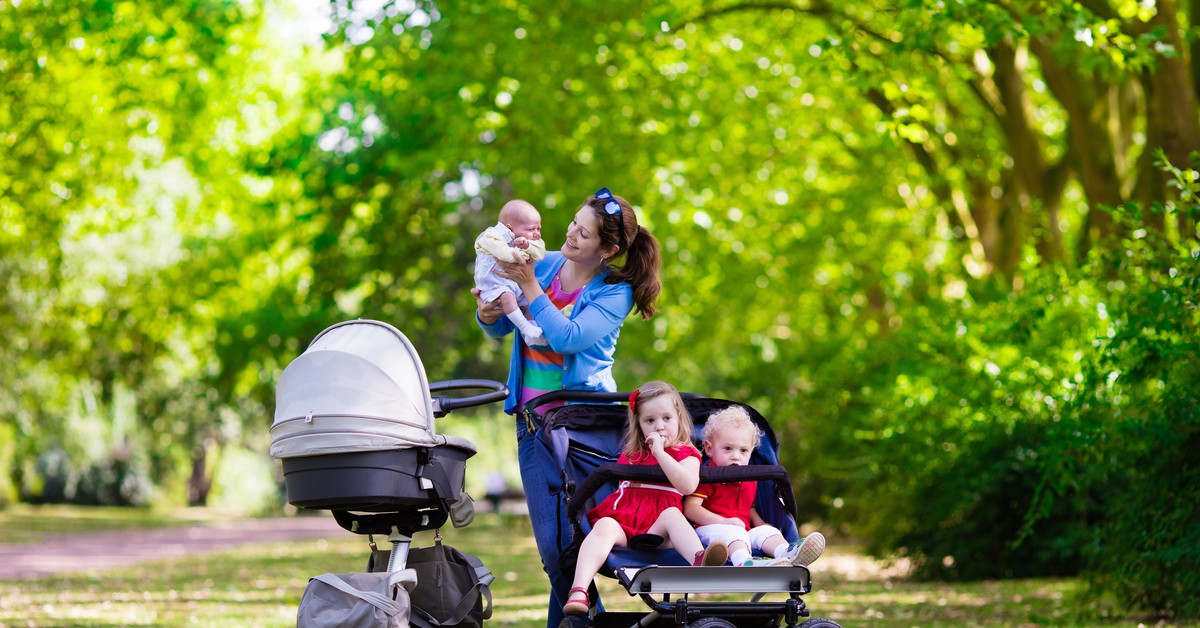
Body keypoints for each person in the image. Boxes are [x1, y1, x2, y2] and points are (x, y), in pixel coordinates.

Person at [473, 186, 662, 628]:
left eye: (584, 234)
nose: (571, 236)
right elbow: (504, 325)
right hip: (533, 422)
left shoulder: (615, 292)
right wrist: (487, 315)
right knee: (559, 550)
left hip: (584, 426)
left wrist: (529, 286)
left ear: (609, 249)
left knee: (566, 550)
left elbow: (568, 337)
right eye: (573, 225)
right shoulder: (549, 263)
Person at [563, 381, 730, 615]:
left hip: (657, 529)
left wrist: (660, 453)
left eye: (666, 418)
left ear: (679, 418)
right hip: (624, 522)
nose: (659, 426)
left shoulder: (688, 453)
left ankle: (700, 562)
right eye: (650, 421)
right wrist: (650, 452)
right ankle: (579, 590)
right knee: (604, 525)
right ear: (639, 425)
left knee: (672, 515)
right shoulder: (631, 454)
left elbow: (688, 485)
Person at [683, 406, 826, 567]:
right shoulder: (708, 475)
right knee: (734, 533)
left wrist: (760, 524)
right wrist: (723, 521)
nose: (736, 456)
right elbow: (690, 509)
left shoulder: (749, 477)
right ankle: (744, 562)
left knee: (768, 531)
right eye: (728, 449)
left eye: (743, 450)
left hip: (742, 531)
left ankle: (787, 554)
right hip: (710, 530)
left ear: (751, 451)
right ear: (709, 448)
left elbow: (749, 508)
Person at [473, 199, 548, 345]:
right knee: (507, 297)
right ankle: (525, 328)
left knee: (530, 301)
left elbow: (540, 253)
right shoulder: (491, 236)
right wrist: (485, 316)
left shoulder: (530, 242)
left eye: (538, 229)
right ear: (510, 228)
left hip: (514, 287)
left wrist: (527, 245)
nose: (537, 234)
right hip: (493, 285)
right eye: (531, 229)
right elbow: (505, 254)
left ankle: (531, 332)